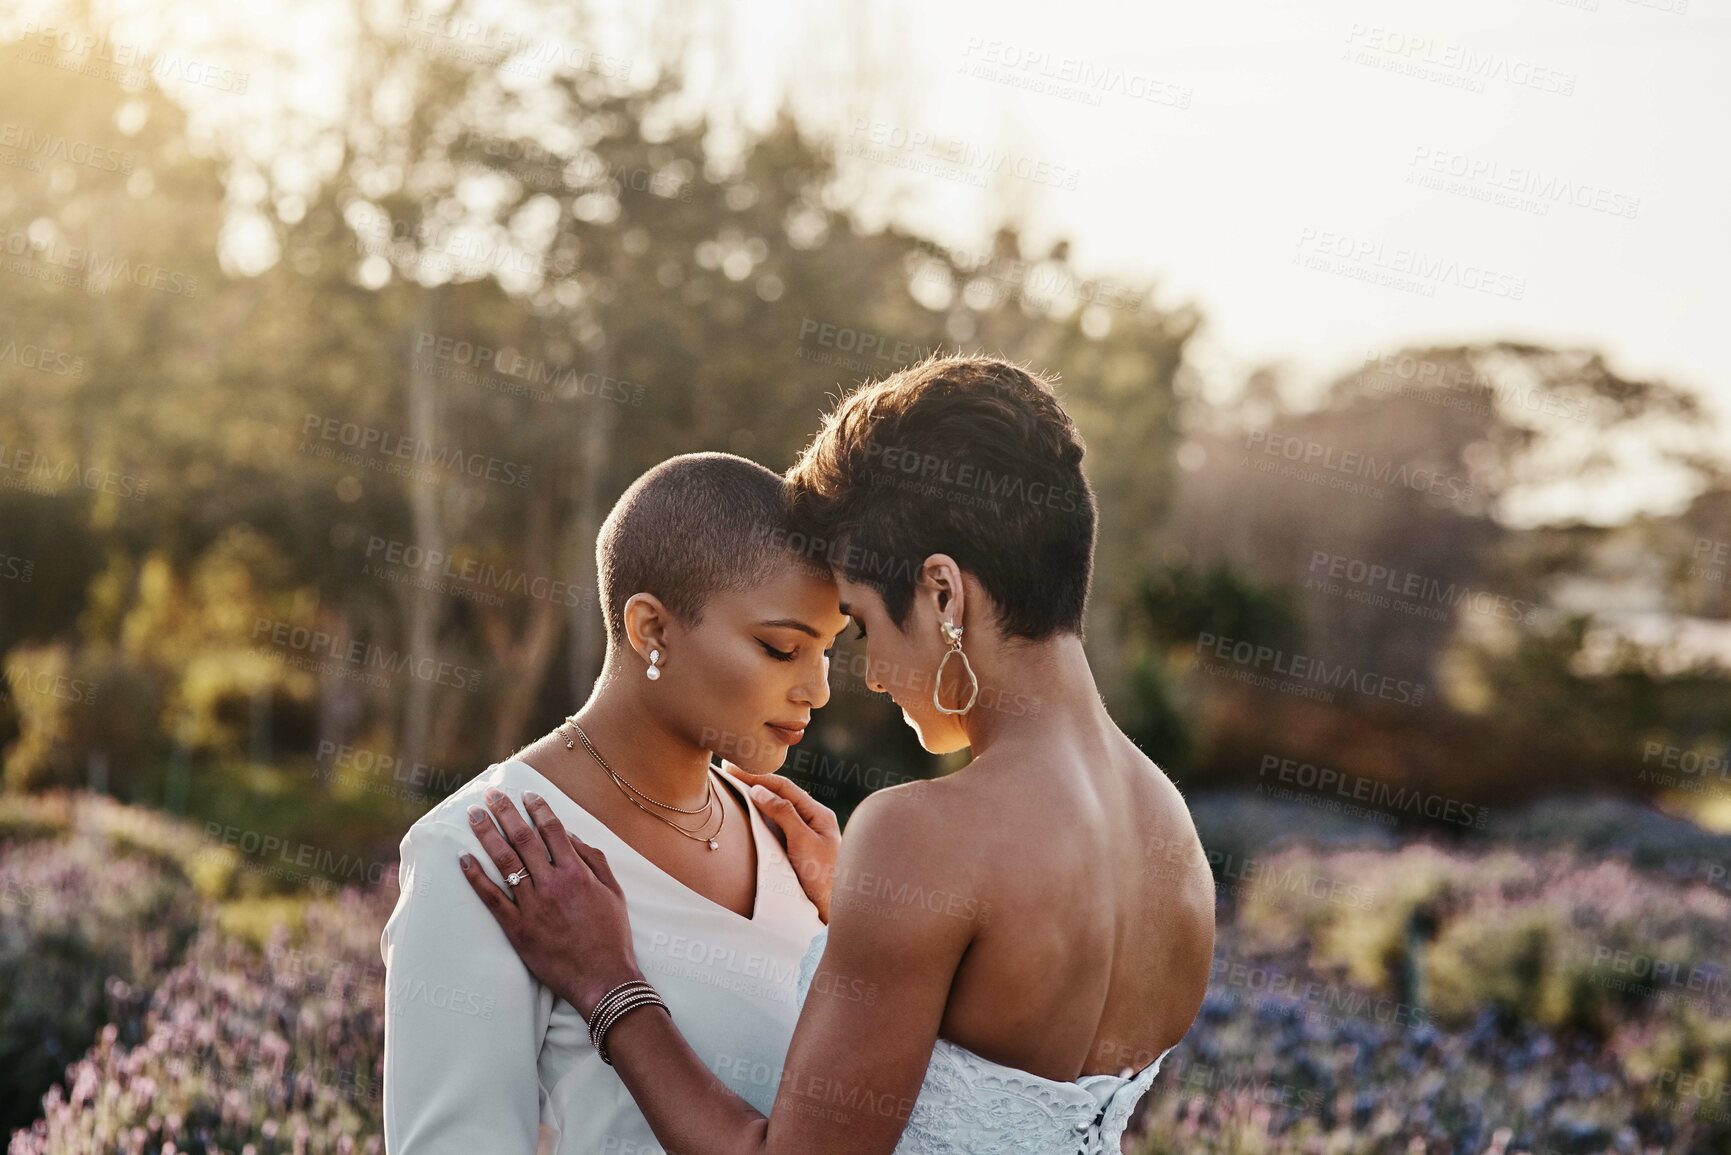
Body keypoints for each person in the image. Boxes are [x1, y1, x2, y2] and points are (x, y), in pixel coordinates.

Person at [460, 356, 1218, 1154]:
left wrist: (605, 981)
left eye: (858, 625)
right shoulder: (1174, 838)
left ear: (942, 593)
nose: (868, 676)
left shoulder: (924, 832)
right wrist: (859, 912)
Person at [380, 452, 853, 1154]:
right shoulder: (487, 849)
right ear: (651, 629)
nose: (816, 689)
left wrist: (851, 921)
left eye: (829, 652)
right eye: (781, 648)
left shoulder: (795, 848)